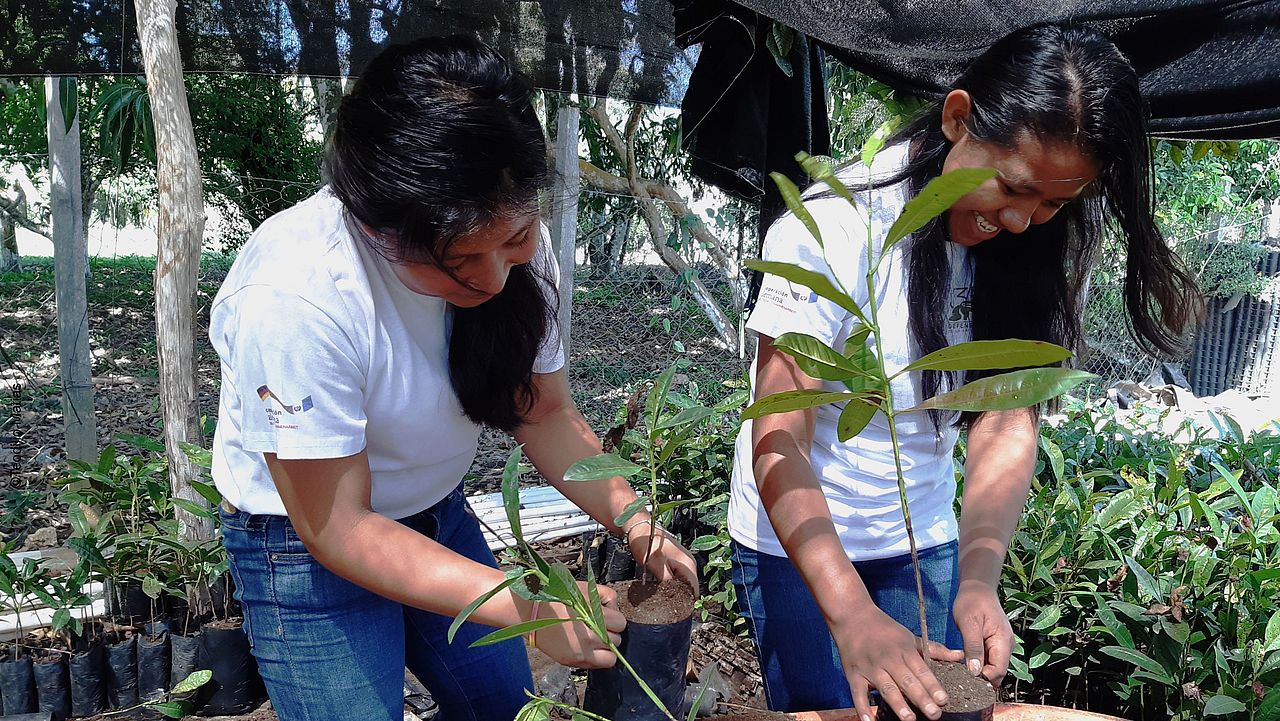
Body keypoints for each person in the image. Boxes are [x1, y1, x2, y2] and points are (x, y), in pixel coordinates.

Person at [208, 36, 698, 721]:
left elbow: (545, 413)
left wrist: (633, 517)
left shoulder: (514, 238)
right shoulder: (296, 293)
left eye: (516, 239)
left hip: (436, 512)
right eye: (463, 259)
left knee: (503, 701)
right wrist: (530, 608)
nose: (499, 276)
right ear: (379, 231)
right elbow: (338, 525)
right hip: (302, 541)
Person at [729, 23, 1200, 721]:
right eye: (1013, 186)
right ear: (958, 118)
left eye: (1052, 203)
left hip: (923, 538)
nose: (1021, 219)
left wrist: (978, 576)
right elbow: (780, 438)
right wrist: (851, 611)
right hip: (799, 548)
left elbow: (1006, 418)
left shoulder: (1023, 250)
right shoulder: (834, 227)